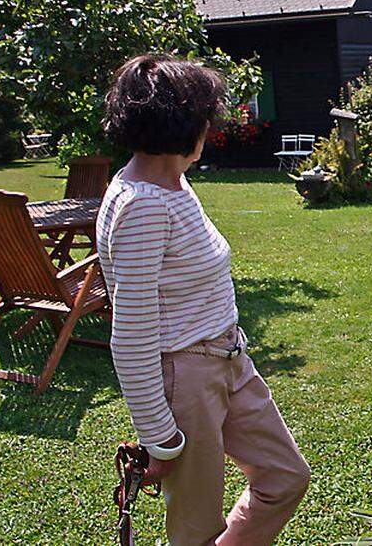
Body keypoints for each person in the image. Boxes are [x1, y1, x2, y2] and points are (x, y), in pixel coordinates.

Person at [97, 55, 311, 545]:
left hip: (230, 358)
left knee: (284, 477)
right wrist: (160, 437)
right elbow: (130, 333)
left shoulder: (172, 182)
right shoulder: (143, 204)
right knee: (194, 529)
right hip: (186, 377)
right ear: (184, 125)